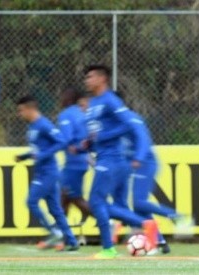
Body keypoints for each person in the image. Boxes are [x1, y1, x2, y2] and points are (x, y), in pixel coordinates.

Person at [83, 65, 158, 259]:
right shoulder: (93, 103)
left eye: (90, 77)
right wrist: (89, 142)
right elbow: (96, 132)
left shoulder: (110, 100)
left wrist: (104, 136)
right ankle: (143, 225)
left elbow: (128, 124)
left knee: (96, 201)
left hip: (113, 160)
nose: (87, 80)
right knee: (104, 203)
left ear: (102, 79)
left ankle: (110, 247)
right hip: (104, 158)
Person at [15, 95, 79, 251]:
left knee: (31, 201)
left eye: (21, 110)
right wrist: (25, 156)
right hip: (42, 172)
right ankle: (71, 241)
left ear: (30, 109)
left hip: (48, 173)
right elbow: (39, 149)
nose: (20, 114)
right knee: (55, 210)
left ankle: (53, 232)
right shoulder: (32, 126)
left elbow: (62, 141)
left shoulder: (44, 124)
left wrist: (42, 156)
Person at [57, 88, 91, 226]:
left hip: (74, 162)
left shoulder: (66, 115)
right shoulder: (82, 114)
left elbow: (67, 138)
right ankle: (63, 233)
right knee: (67, 196)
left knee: (71, 197)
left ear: (68, 99)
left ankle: (105, 222)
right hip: (82, 161)